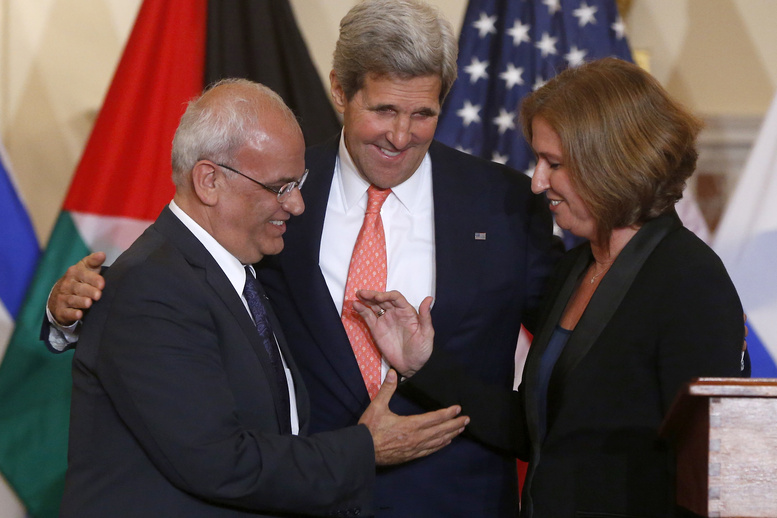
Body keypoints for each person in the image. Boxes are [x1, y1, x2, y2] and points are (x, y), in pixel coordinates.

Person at [45, 1, 561, 515]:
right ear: (340, 90)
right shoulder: (276, 190)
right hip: (299, 498)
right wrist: (73, 305)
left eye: (422, 113)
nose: (401, 136)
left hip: (454, 502)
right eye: (383, 110)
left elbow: (572, 345)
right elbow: (187, 285)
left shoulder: (507, 204)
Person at [353, 57, 748, 518]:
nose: (538, 183)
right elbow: (540, 429)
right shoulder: (577, 266)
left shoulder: (688, 279)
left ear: (613, 163)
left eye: (553, 163)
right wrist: (424, 365)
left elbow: (714, 469)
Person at [59, 79, 469, 517]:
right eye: (279, 187)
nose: (296, 205)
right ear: (209, 181)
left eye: (299, 183)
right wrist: (366, 448)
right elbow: (220, 463)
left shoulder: (237, 274)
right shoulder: (154, 290)